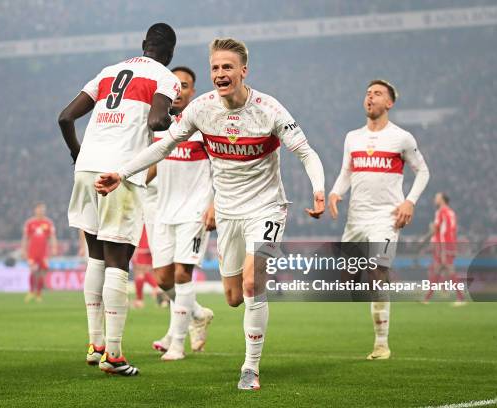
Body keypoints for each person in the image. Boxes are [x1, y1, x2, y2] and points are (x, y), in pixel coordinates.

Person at [96, 38, 325, 390]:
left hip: (266, 208)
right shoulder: (202, 109)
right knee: (234, 296)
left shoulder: (269, 109)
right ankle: (208, 318)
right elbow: (164, 145)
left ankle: (250, 367)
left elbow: (306, 153)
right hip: (229, 212)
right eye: (216, 67)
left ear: (243, 71)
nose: (221, 73)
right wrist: (123, 173)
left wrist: (319, 191)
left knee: (252, 282)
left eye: (228, 67)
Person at [58, 23, 181, 376]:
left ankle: (95, 343)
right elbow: (157, 120)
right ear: (170, 54)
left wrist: (77, 153)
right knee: (117, 261)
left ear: (144, 45)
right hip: (119, 173)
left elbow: (65, 116)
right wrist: (174, 114)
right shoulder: (164, 77)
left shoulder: (109, 71)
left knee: (94, 257)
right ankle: (113, 354)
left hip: (85, 168)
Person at [328, 79, 430, 360]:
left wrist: (409, 201)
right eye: (368, 93)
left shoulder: (402, 138)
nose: (370, 97)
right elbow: (346, 171)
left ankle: (381, 343)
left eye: (377, 93)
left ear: (389, 102)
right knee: (346, 278)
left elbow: (423, 172)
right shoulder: (353, 137)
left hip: (385, 218)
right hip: (356, 218)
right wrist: (335, 193)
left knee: (377, 273)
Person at [146, 66, 216, 360]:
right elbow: (152, 165)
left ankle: (177, 344)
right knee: (163, 279)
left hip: (195, 210)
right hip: (163, 209)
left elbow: (221, 167)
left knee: (181, 273)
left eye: (185, 85)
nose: (179, 90)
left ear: (192, 91)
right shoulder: (159, 125)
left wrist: (214, 203)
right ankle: (197, 314)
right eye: (175, 85)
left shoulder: (204, 125)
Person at [423, 192, 465, 305]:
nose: (434, 199)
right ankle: (426, 298)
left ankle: (461, 298)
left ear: (442, 200)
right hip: (450, 243)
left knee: (448, 269)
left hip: (443, 244)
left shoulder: (440, 211)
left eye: (436, 197)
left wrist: (424, 238)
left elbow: (436, 229)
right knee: (437, 270)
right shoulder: (451, 212)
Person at [21, 202, 57, 303]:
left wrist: (54, 248)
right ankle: (31, 291)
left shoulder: (48, 223)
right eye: (39, 209)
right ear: (35, 210)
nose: (41, 211)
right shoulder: (30, 223)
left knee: (42, 273)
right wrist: (23, 250)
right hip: (32, 252)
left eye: (43, 209)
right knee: (33, 271)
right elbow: (25, 238)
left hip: (43, 253)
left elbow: (52, 237)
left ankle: (38, 294)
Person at [131, 225, 160, 309]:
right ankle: (157, 289)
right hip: (150, 243)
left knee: (140, 273)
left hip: (143, 244)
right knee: (143, 272)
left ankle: (140, 300)